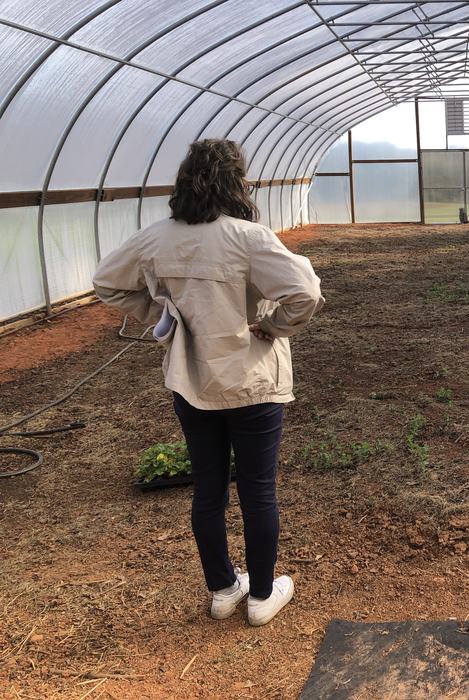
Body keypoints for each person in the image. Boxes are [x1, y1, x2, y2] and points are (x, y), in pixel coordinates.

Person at [93, 139, 324, 626]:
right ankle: (261, 596)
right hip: (252, 382)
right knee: (258, 489)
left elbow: (107, 282)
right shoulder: (248, 237)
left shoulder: (158, 238)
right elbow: (304, 292)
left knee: (209, 490)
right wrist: (274, 326)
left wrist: (161, 314)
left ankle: (222, 589)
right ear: (235, 183)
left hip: (192, 381)